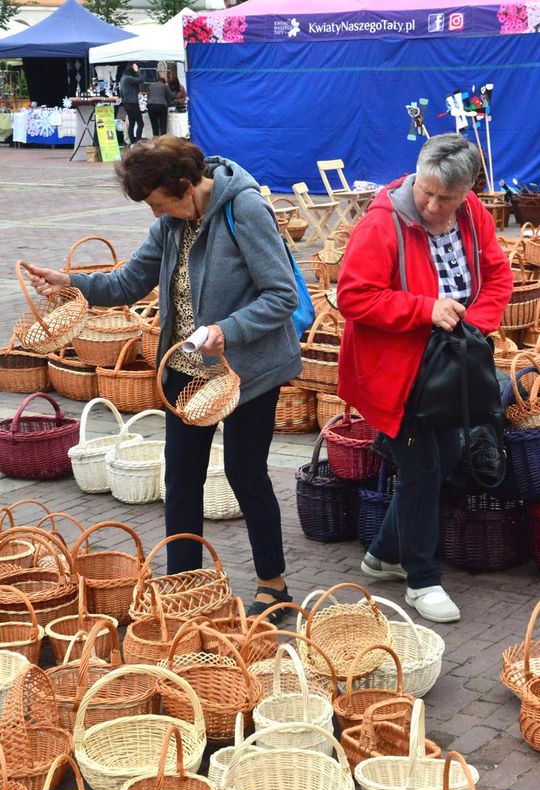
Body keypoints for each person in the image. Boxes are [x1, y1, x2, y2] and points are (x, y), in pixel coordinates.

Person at [26, 137, 301, 623]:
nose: (156, 215)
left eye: (158, 203)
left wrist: (226, 330)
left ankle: (273, 585)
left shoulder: (246, 209)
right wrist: (70, 282)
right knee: (180, 477)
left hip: (247, 371)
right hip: (186, 368)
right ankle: (183, 585)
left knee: (245, 472)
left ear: (186, 185)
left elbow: (280, 295)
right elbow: (128, 282)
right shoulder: (173, 222)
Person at [337, 133, 513, 623]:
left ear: (468, 192)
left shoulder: (473, 215)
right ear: (416, 176)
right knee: (422, 471)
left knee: (449, 453)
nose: (433, 205)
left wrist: (474, 324)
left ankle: (384, 554)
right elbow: (354, 297)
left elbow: (498, 277)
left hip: (447, 370)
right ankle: (421, 579)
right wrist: (424, 310)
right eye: (427, 192)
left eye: (447, 198)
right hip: (393, 374)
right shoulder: (383, 223)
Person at [120, 63, 144, 145]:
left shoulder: (123, 78)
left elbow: (121, 93)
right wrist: (138, 71)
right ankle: (138, 142)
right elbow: (141, 79)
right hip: (132, 103)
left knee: (132, 123)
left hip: (126, 103)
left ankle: (132, 142)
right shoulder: (128, 78)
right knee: (140, 123)